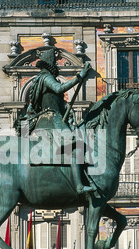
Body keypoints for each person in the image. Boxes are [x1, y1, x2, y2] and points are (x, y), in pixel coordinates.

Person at [27, 48, 96, 194]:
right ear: (49, 64)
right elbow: (59, 89)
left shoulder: (42, 78)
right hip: (50, 119)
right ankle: (78, 185)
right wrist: (79, 77)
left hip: (52, 117)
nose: (56, 64)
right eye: (54, 62)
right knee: (75, 146)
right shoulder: (46, 78)